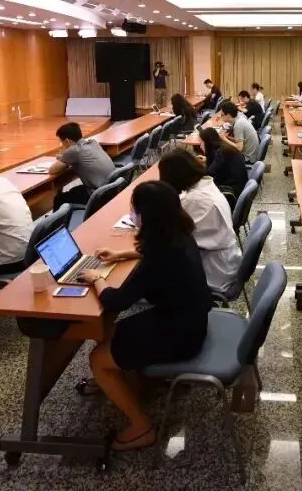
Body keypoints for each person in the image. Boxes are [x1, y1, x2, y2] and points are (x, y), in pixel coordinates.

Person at [81, 181, 213, 451]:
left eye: (135, 210)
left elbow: (116, 300)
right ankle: (133, 382)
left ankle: (142, 427)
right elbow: (155, 253)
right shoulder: (179, 233)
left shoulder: (160, 256)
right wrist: (121, 254)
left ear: (147, 216)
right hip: (189, 320)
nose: (132, 214)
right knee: (109, 331)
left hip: (180, 335)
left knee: (97, 359)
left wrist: (97, 279)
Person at [157, 149, 242, 295]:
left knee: (150, 275)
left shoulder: (195, 199)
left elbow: (169, 239)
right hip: (222, 260)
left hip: (212, 272)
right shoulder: (205, 183)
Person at [50, 122, 115, 208]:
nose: (62, 145)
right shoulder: (93, 143)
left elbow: (53, 170)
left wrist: (65, 157)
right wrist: (64, 157)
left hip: (97, 194)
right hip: (111, 188)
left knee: (59, 199)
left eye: (62, 142)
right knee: (74, 190)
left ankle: (61, 217)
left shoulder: (74, 150)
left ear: (67, 141)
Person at [197, 127, 247, 198]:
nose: (200, 146)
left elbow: (209, 173)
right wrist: (207, 159)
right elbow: (220, 164)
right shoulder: (224, 147)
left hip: (232, 191)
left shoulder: (221, 152)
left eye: (201, 143)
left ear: (207, 142)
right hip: (239, 184)